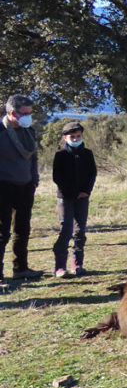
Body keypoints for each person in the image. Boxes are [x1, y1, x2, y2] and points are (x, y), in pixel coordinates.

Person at [0, 94, 43, 288]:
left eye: (29, 113)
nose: (28, 117)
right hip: (3, 187)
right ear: (12, 113)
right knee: (2, 233)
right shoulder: (1, 131)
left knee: (22, 230)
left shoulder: (28, 131)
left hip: (25, 187)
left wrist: (34, 179)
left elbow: (33, 158)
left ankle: (21, 268)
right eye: (24, 114)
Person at [51, 121, 97, 278]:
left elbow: (92, 173)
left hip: (83, 197)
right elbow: (57, 177)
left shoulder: (88, 153)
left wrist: (86, 191)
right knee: (66, 230)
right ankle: (60, 267)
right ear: (65, 137)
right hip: (65, 198)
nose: (76, 139)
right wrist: (71, 193)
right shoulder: (60, 155)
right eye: (72, 136)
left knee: (80, 231)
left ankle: (77, 264)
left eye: (78, 136)